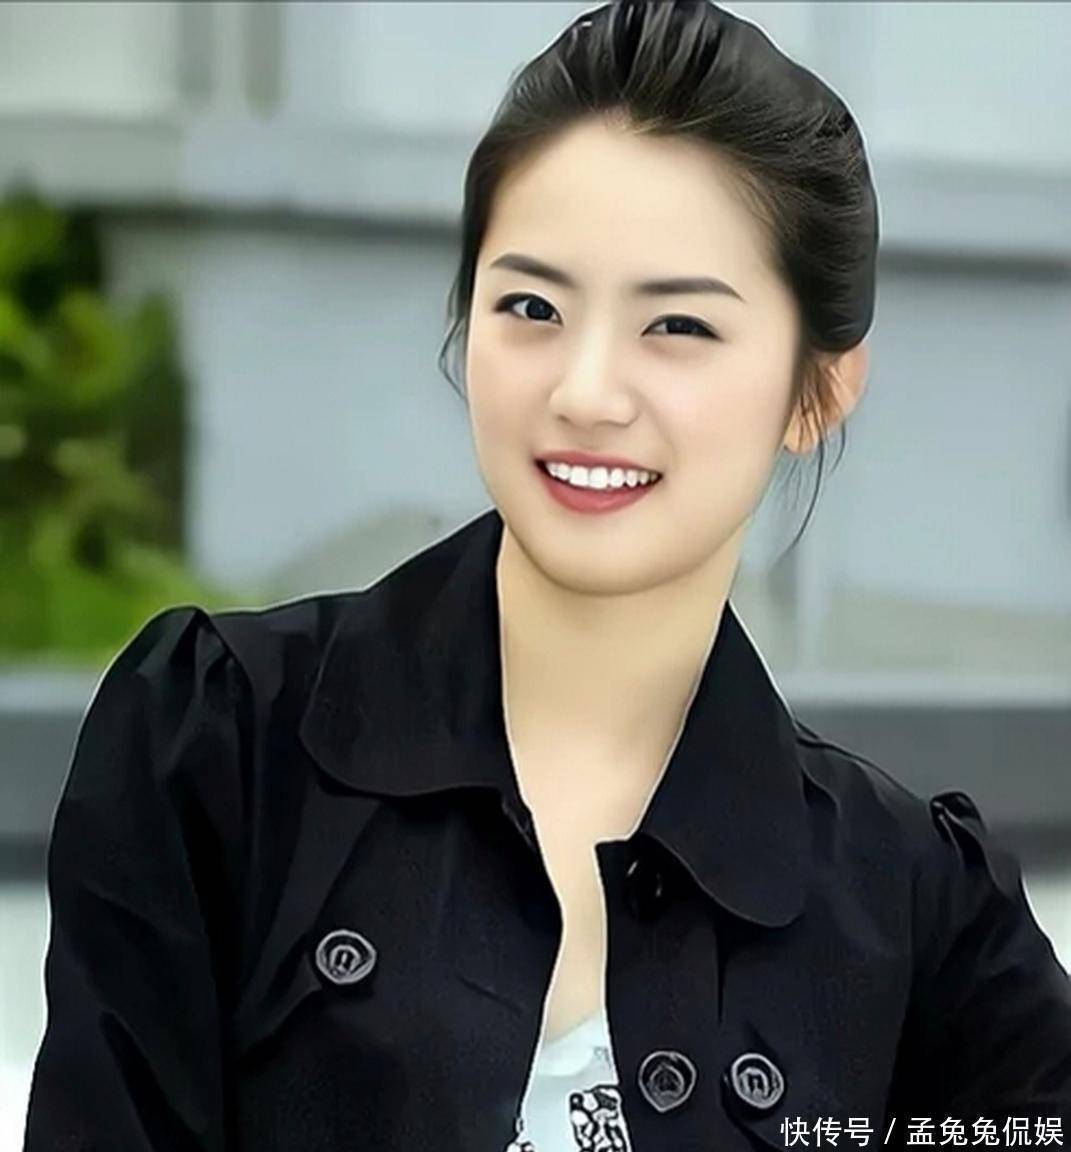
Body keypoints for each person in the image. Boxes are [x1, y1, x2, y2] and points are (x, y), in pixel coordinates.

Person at [22, 1, 1071, 1150]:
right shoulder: (219, 751)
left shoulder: (917, 915)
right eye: (531, 307)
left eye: (677, 327)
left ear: (819, 389)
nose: (585, 392)